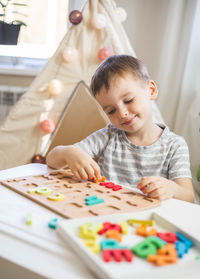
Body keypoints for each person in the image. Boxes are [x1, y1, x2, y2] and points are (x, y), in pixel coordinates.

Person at [46, 55, 194, 202]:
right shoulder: (108, 136)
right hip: (107, 214)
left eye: (128, 100)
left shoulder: (175, 145)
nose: (122, 113)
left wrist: (172, 189)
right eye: (111, 111)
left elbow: (188, 197)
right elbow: (51, 160)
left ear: (151, 90)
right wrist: (68, 152)